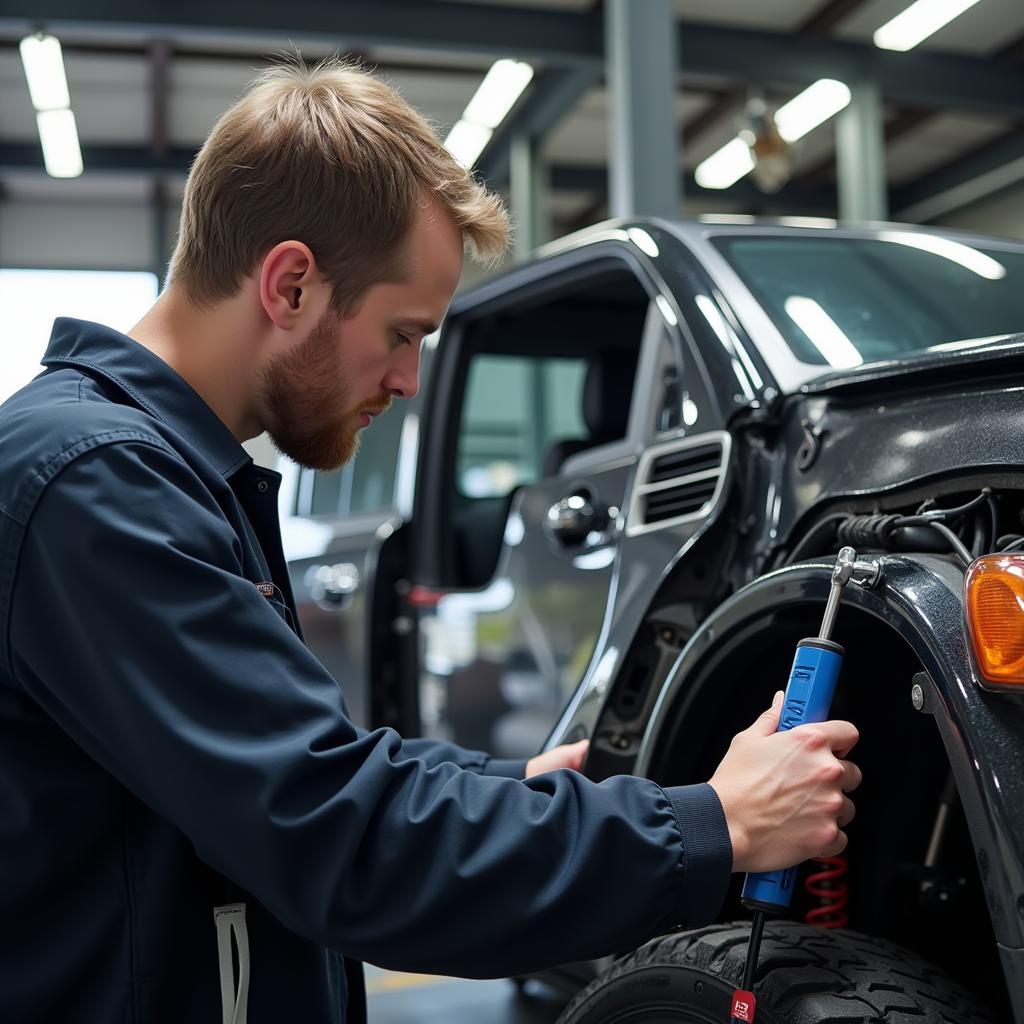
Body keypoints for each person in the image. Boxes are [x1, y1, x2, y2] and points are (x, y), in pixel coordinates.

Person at [0, 58, 861, 1023]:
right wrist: (712, 827)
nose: (409, 381)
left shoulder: (160, 471)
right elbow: (343, 842)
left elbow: (298, 766)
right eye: (405, 334)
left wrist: (513, 790)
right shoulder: (97, 483)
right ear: (289, 285)